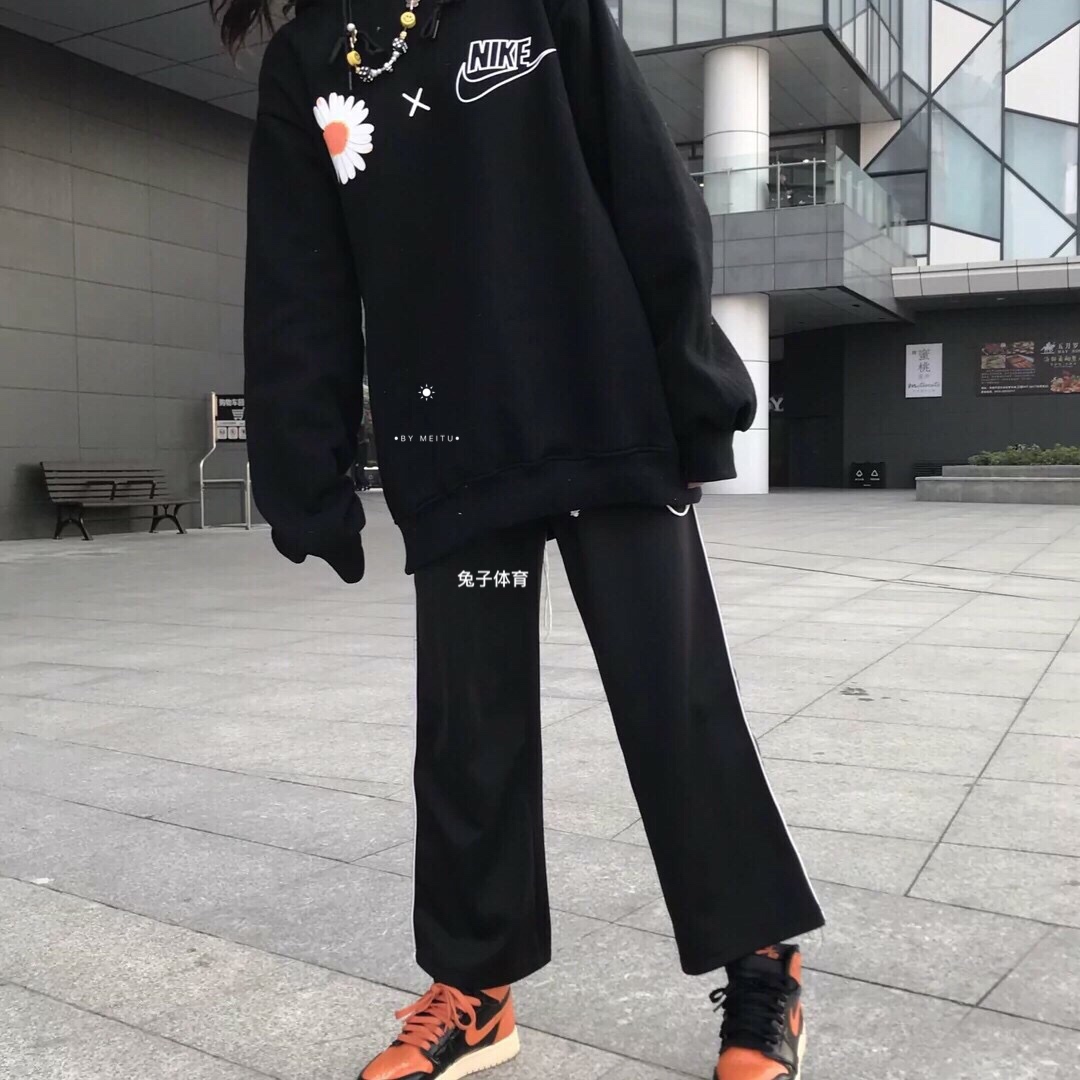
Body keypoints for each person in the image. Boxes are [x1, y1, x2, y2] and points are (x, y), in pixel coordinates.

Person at [213, 1, 825, 1077]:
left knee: (672, 697)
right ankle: (478, 988)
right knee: (471, 725)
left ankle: (764, 967)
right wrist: (303, 470)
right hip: (453, 444)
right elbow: (298, 278)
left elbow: (646, 181)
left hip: (607, 410)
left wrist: (694, 389)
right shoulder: (311, 58)